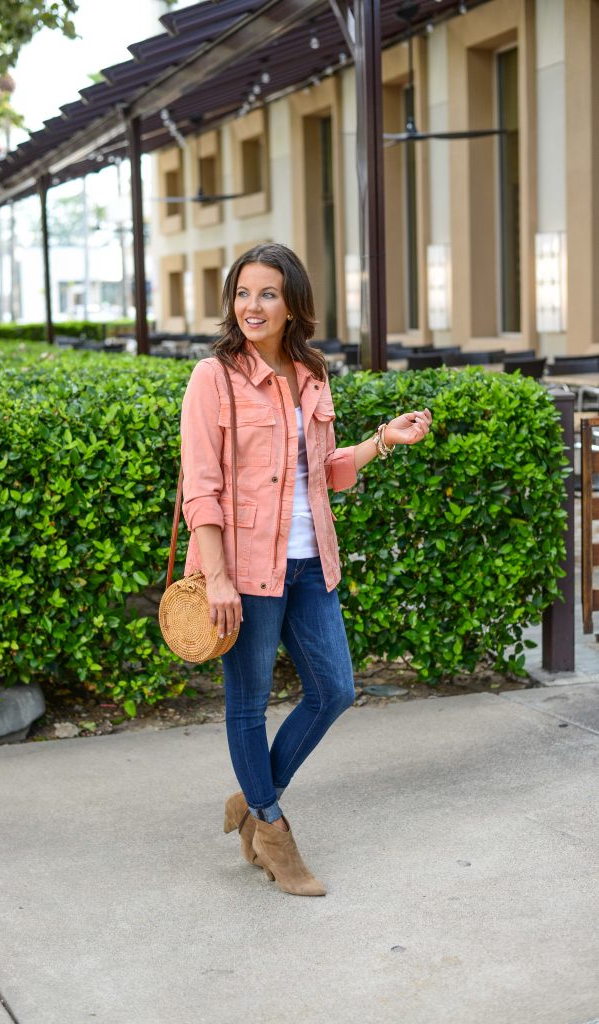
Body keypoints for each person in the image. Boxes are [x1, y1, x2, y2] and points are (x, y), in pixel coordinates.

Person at [179, 243, 431, 897]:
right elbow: (199, 488)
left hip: (310, 562)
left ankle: (254, 799)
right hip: (245, 572)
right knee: (246, 706)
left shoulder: (310, 374)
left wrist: (381, 441)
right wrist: (219, 577)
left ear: (292, 301)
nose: (251, 306)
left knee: (335, 689)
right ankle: (272, 832)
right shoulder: (214, 378)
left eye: (266, 293)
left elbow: (322, 473)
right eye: (242, 293)